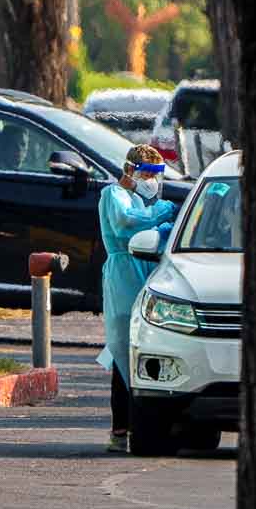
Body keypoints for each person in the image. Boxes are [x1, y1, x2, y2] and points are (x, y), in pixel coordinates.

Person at [98, 145, 177, 453]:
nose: (151, 180)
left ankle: (144, 424)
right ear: (129, 171)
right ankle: (120, 430)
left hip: (149, 270)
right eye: (145, 173)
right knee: (122, 349)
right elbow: (126, 223)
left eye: (156, 175)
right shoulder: (114, 196)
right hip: (124, 274)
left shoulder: (149, 201)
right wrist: (162, 214)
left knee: (149, 347)